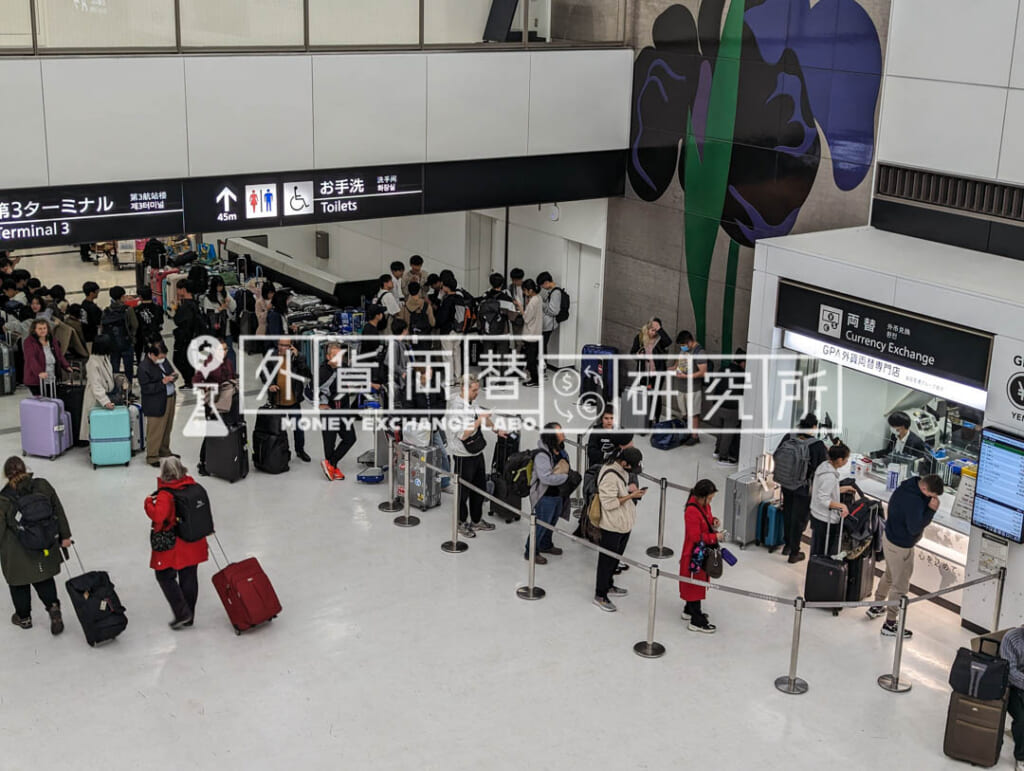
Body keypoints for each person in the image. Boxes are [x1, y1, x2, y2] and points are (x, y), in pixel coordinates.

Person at [865, 474, 944, 638]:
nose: (933, 498)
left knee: (890, 575)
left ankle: (877, 605)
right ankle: (890, 624)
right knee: (900, 586)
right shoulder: (914, 501)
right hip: (901, 545)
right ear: (924, 488)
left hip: (890, 538)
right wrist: (931, 511)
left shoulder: (907, 486)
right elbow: (914, 528)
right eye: (931, 495)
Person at [0, 457, 71, 634]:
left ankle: (24, 618)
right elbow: (58, 510)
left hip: (16, 549)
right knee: (45, 578)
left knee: (18, 583)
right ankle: (54, 609)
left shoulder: (3, 498)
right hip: (44, 544)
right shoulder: (42, 485)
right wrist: (65, 536)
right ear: (25, 468)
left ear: (5, 475)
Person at [144, 457, 209, 629]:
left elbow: (158, 516)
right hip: (195, 541)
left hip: (175, 545)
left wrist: (148, 503)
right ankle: (190, 615)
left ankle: (182, 613)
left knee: (164, 575)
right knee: (189, 576)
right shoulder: (192, 486)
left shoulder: (166, 495)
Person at [448, 375, 503, 537]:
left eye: (477, 389)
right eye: (474, 390)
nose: (477, 393)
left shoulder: (472, 402)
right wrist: (480, 420)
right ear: (464, 389)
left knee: (479, 488)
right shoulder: (456, 409)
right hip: (462, 455)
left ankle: (477, 520)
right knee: (463, 491)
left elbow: (481, 415)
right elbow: (464, 434)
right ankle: (461, 522)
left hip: (476, 451)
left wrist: (496, 429)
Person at [593, 447, 646, 612]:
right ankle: (600, 595)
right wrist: (631, 496)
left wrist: (629, 489)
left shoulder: (621, 470)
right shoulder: (610, 476)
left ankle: (608, 585)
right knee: (606, 562)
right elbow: (608, 503)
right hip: (612, 526)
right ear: (624, 463)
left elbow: (619, 491)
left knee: (615, 560)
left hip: (623, 524)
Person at [777, 413, 828, 564]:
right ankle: (794, 552)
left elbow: (777, 455)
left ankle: (787, 545)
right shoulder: (817, 445)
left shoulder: (789, 436)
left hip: (786, 483)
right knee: (799, 519)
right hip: (803, 487)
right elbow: (822, 468)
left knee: (788, 512)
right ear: (814, 427)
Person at [525, 423, 572, 564]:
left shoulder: (560, 449)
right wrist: (565, 478)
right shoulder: (542, 455)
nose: (562, 433)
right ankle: (531, 551)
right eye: (559, 432)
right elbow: (545, 477)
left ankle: (545, 544)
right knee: (541, 524)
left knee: (551, 522)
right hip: (545, 496)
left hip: (558, 494)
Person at [679, 479, 720, 633]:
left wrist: (713, 521)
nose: (710, 501)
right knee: (695, 583)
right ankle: (697, 620)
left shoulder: (703, 505)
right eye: (709, 498)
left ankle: (689, 609)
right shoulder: (691, 511)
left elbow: (707, 519)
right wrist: (715, 537)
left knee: (695, 583)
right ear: (701, 496)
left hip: (700, 552)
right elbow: (696, 536)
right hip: (694, 554)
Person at [263, 337, 312, 463]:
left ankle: (300, 450)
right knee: (278, 429)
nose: (282, 348)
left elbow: (306, 373)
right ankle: (282, 450)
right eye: (280, 345)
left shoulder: (297, 357)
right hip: (277, 401)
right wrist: (270, 385)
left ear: (291, 346)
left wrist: (299, 358)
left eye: (285, 345)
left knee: (298, 429)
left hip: (293, 401)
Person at [317, 341, 357, 481]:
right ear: (328, 357)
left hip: (344, 411)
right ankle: (331, 465)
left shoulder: (344, 367)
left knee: (350, 438)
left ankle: (331, 464)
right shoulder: (322, 372)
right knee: (330, 443)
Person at [408, 364, 451, 489]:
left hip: (433, 428)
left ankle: (444, 483)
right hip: (418, 431)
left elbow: (442, 403)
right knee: (418, 456)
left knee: (442, 453)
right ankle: (417, 481)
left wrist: (434, 419)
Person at [808, 442, 855, 557]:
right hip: (824, 519)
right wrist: (841, 506)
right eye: (846, 459)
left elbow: (824, 489)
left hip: (816, 514)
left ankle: (816, 569)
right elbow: (823, 498)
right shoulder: (829, 476)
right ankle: (820, 572)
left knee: (816, 547)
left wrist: (840, 489)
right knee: (822, 551)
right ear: (839, 460)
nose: (846, 462)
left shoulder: (824, 466)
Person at [138, 340, 180, 468]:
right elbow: (146, 389)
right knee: (155, 430)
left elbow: (171, 371)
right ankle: (152, 456)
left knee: (167, 427)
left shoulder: (164, 360)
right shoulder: (144, 367)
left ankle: (164, 450)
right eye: (161, 357)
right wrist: (162, 382)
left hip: (170, 398)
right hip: (155, 401)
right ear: (152, 354)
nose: (163, 359)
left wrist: (173, 376)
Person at [707, 350, 745, 465]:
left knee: (721, 430)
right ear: (741, 362)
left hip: (719, 405)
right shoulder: (742, 375)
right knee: (728, 433)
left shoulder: (723, 370)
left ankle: (717, 450)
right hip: (732, 408)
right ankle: (723, 458)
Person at [630, 318, 673, 421]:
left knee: (656, 395)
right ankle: (644, 419)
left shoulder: (660, 340)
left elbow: (668, 342)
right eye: (652, 329)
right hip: (644, 371)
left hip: (657, 372)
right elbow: (632, 352)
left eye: (656, 330)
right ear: (648, 328)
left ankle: (655, 418)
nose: (653, 332)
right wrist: (637, 355)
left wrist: (660, 330)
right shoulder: (640, 338)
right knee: (644, 394)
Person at [81, 335, 119, 442]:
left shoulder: (104, 357)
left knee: (102, 425)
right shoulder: (92, 363)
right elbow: (96, 385)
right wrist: (105, 401)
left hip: (105, 394)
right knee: (94, 425)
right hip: (96, 398)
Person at [673, 330, 708, 445]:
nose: (682, 348)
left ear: (689, 342)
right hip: (682, 386)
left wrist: (686, 376)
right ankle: (687, 431)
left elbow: (703, 372)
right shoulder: (684, 351)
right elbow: (677, 364)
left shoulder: (699, 352)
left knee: (694, 414)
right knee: (685, 413)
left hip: (693, 388)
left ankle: (694, 436)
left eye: (683, 345)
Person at [101, 286, 138, 389]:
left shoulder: (106, 311)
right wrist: (132, 337)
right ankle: (128, 391)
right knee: (128, 369)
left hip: (112, 345)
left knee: (114, 369)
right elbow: (134, 325)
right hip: (126, 343)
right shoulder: (128, 310)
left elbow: (102, 327)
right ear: (122, 297)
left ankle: (116, 390)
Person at [23, 319, 71, 395]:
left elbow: (59, 355)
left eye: (44, 328)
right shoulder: (29, 342)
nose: (43, 330)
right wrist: (39, 372)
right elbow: (31, 359)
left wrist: (66, 366)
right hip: (36, 378)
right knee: (41, 402)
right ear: (34, 330)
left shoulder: (52, 340)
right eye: (40, 329)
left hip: (51, 376)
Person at [999, 626, 1024, 771]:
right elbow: (1010, 673)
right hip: (1010, 688)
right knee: (1022, 718)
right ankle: (1021, 757)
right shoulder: (1012, 638)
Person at [172, 281, 204, 387]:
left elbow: (178, 321)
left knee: (179, 360)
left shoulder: (186, 306)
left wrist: (176, 309)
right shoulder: (195, 303)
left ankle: (189, 381)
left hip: (185, 338)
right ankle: (190, 380)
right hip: (193, 337)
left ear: (183, 290)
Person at [201, 276, 237, 366]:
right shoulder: (208, 298)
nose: (220, 288)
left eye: (221, 286)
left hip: (226, 327)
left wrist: (229, 302)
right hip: (215, 328)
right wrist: (220, 309)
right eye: (218, 286)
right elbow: (208, 313)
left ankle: (232, 371)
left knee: (229, 350)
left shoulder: (225, 294)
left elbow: (233, 307)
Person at [436, 276, 464, 383]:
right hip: (459, 330)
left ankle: (449, 379)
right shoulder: (460, 298)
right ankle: (458, 376)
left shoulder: (447, 300)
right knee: (457, 354)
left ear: (447, 287)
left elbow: (442, 318)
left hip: (448, 331)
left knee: (448, 356)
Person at [537, 271, 564, 371]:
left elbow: (554, 311)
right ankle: (542, 367)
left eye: (542, 285)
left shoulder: (556, 292)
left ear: (546, 282)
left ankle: (542, 368)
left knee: (542, 346)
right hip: (547, 323)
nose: (543, 288)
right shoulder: (553, 291)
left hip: (549, 324)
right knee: (542, 346)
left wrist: (542, 304)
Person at [133, 287, 164, 365]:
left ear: (140, 297)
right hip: (156, 336)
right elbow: (161, 321)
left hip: (140, 338)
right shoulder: (158, 308)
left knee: (141, 358)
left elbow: (134, 325)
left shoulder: (136, 309)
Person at [521, 279, 543, 387]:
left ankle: (535, 380)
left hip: (531, 334)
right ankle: (534, 379)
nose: (524, 293)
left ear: (529, 290)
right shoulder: (538, 298)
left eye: (525, 291)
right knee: (533, 358)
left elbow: (526, 318)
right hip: (537, 332)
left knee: (531, 360)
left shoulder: (532, 302)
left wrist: (521, 308)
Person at [79, 281, 103, 351]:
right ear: (91, 293)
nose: (98, 293)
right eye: (97, 292)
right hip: (93, 336)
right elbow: (98, 321)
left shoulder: (83, 304)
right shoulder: (92, 307)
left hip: (86, 334)